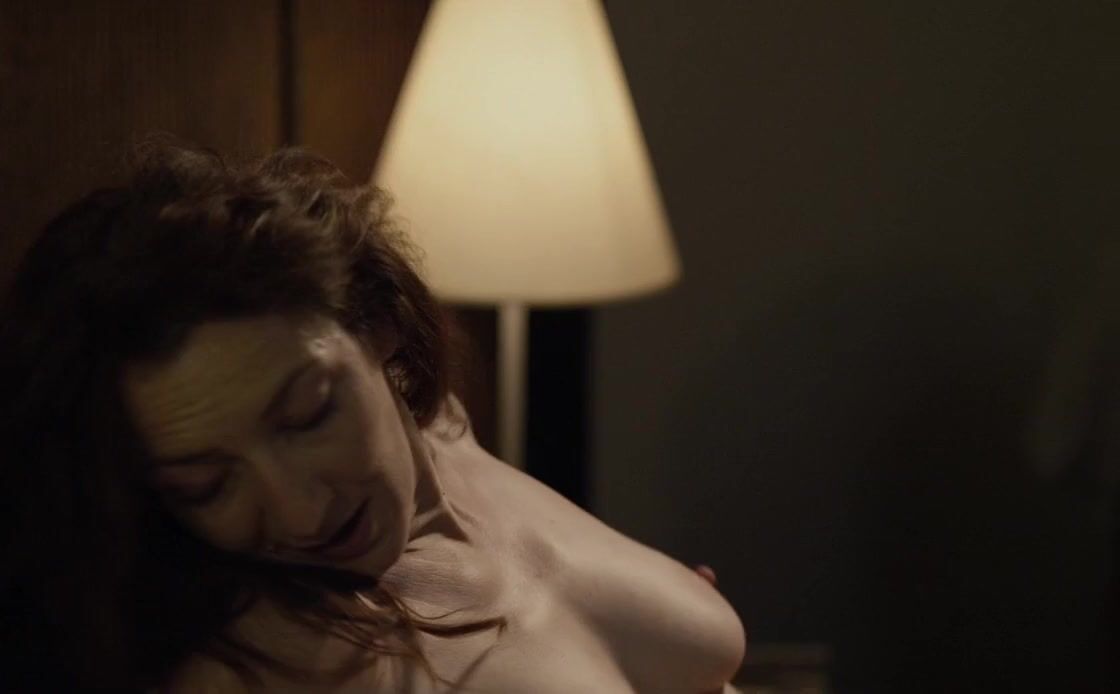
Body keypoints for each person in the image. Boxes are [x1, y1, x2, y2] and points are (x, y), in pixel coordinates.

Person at [0, 140, 746, 692]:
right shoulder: (253, 662)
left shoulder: (447, 429)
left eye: (309, 415)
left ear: (379, 325)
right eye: (205, 485)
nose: (300, 512)